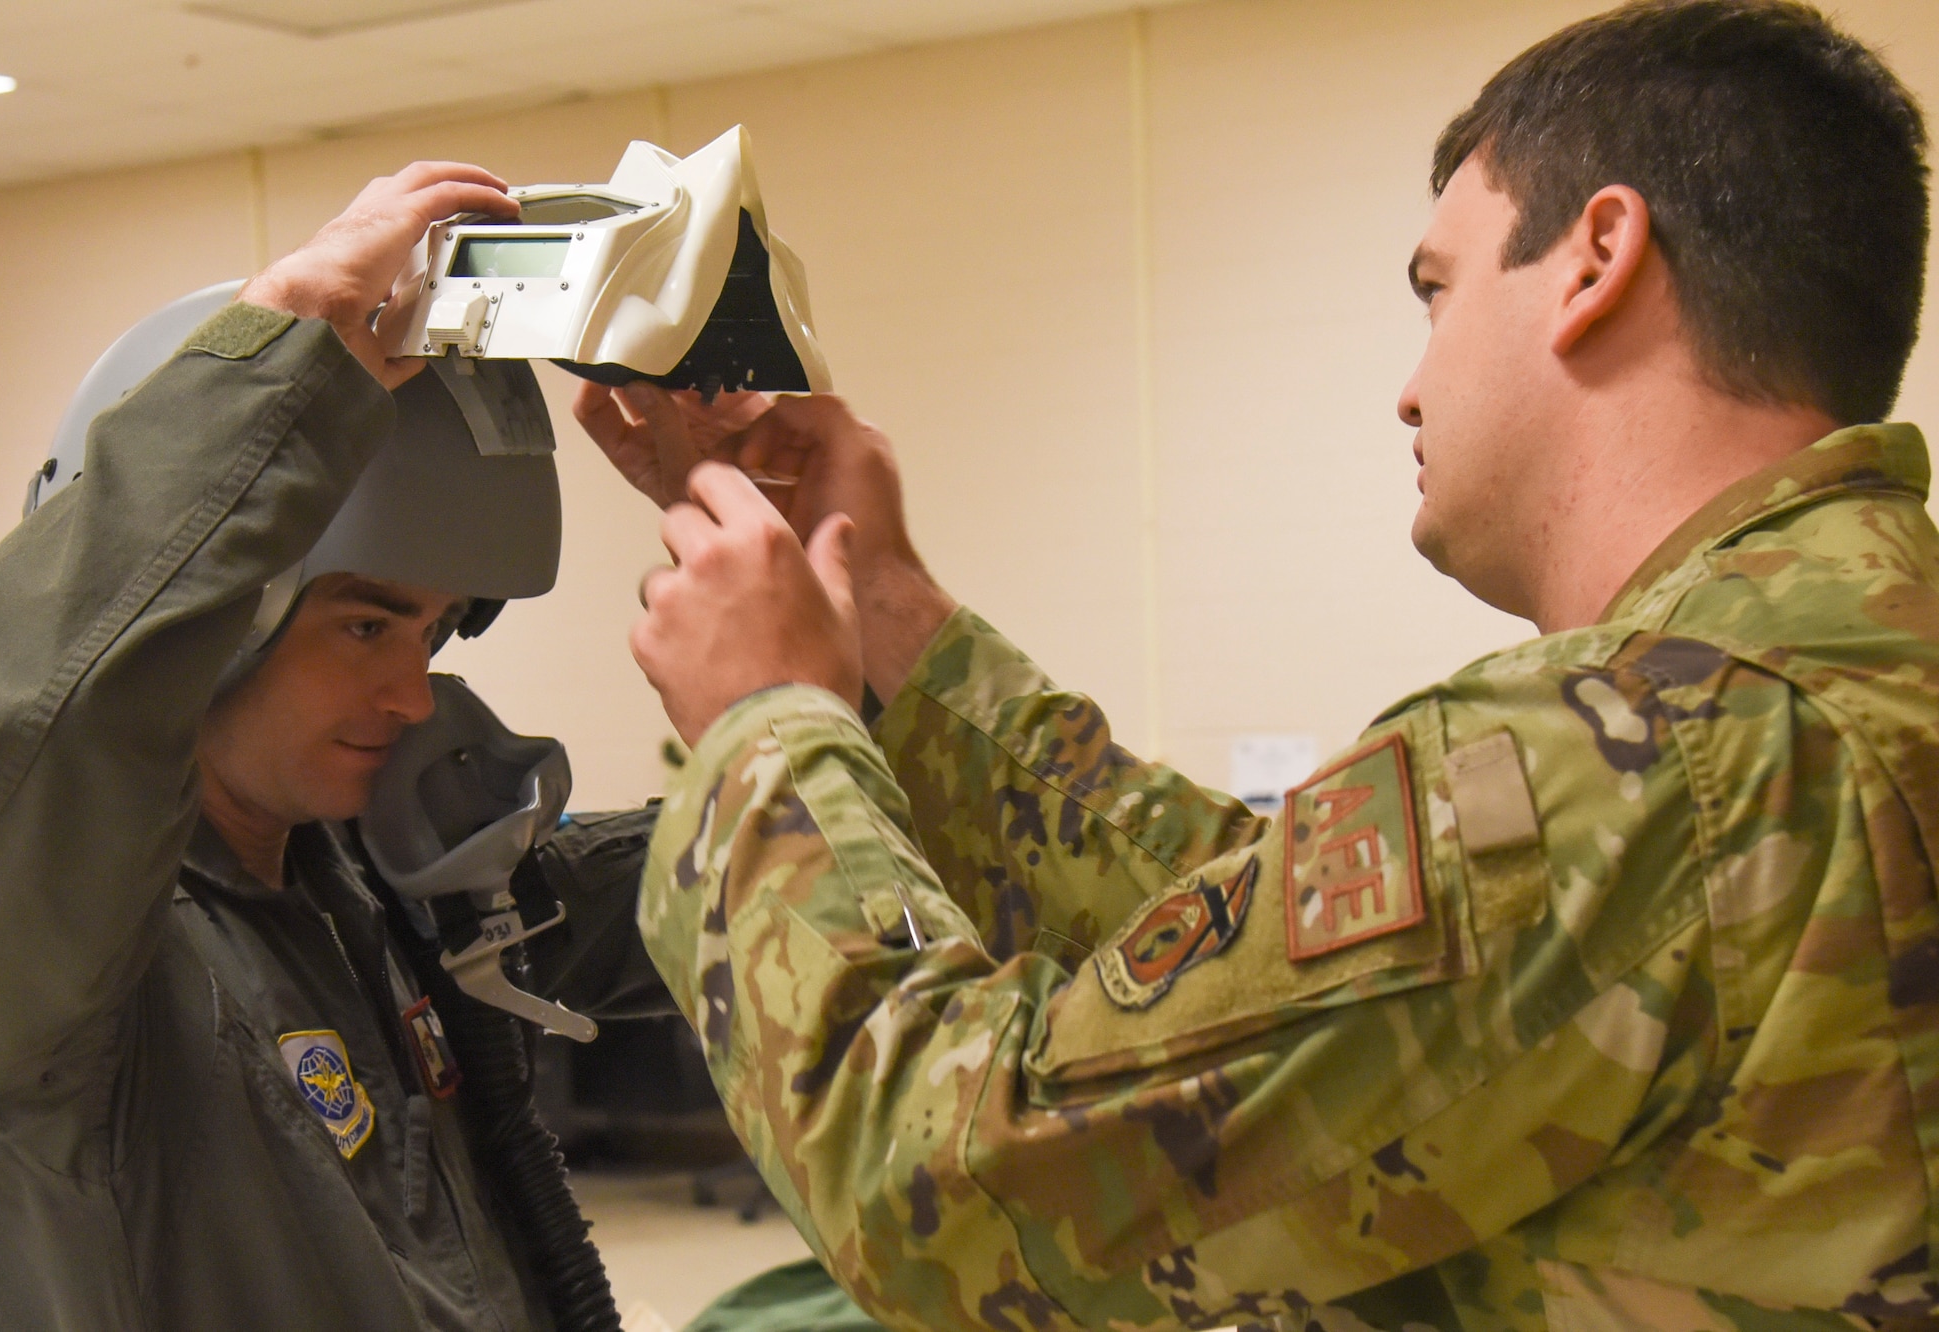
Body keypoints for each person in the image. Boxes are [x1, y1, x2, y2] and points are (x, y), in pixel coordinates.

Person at [585, 2, 1939, 1329]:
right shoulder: (1845, 673)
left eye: (1439, 289)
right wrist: (890, 611)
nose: (1410, 387)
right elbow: (1266, 971)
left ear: (1597, 259)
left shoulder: (1647, 753)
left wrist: (766, 729)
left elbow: (956, 1194)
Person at [0, 165, 666, 1330]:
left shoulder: (371, 894)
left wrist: (854, 630)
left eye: (432, 632)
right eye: (367, 624)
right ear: (211, 613)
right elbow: (4, 732)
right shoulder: (51, 967)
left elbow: (716, 888)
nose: (413, 695)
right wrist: (279, 372)